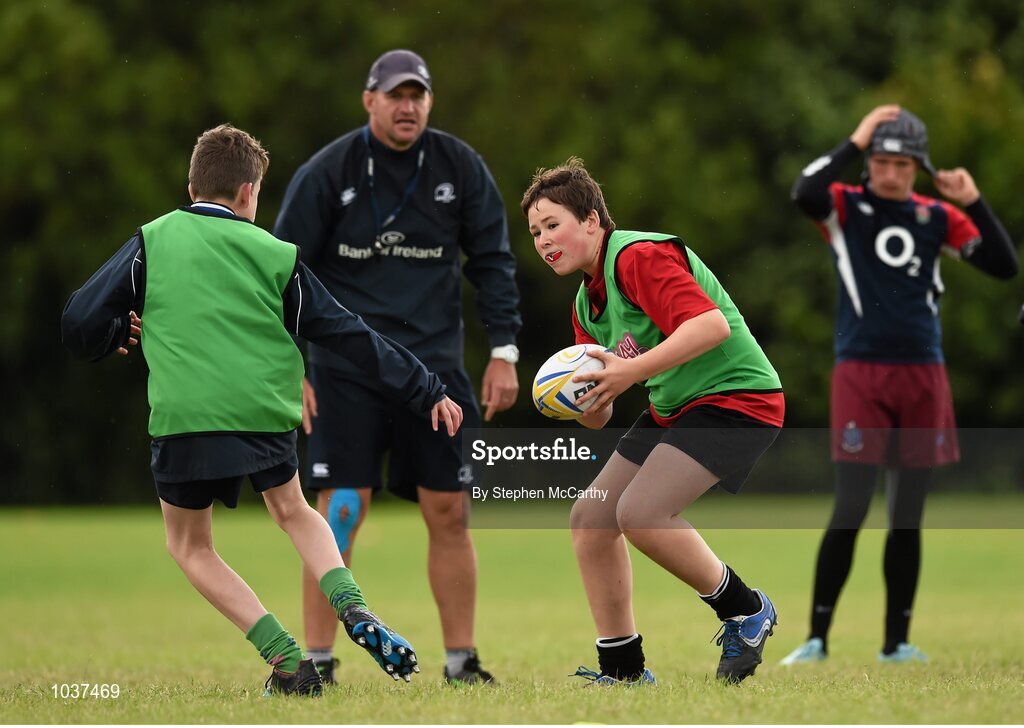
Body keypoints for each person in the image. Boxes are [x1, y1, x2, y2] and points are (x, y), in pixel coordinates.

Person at [61, 124, 464, 695]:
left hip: (185, 417)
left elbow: (78, 322)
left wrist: (114, 333)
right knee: (294, 510)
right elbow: (350, 334)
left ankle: (288, 662)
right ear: (249, 193)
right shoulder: (276, 255)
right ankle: (353, 609)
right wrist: (425, 387)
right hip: (263, 412)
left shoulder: (153, 240)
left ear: (191, 183)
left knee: (190, 546)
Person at [274, 49, 521, 685]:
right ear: (370, 100)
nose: (407, 106)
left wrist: (504, 350)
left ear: (429, 102)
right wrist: (290, 365)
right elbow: (281, 271)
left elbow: (492, 259)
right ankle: (320, 661)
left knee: (449, 510)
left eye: (418, 95)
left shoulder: (459, 166)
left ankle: (462, 661)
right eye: (395, 95)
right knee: (340, 511)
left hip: (434, 371)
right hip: (344, 369)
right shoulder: (328, 171)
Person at [521, 158, 785, 685]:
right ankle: (623, 670)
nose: (544, 239)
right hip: (677, 405)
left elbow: (711, 327)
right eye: (534, 232)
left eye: (553, 224)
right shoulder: (585, 304)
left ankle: (746, 609)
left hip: (739, 398)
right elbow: (602, 412)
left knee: (640, 513)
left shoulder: (639, 256)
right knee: (590, 519)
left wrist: (629, 371)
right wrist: (582, 402)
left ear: (592, 220)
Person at [782, 105, 1018, 665]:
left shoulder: (938, 216)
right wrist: (856, 137)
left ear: (918, 168)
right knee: (852, 505)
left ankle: (896, 643)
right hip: (860, 372)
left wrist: (974, 201)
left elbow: (1004, 266)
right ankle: (816, 639)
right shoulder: (844, 206)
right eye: (881, 161)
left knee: (907, 514)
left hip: (923, 373)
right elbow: (803, 191)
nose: (890, 173)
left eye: (902, 164)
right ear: (869, 164)